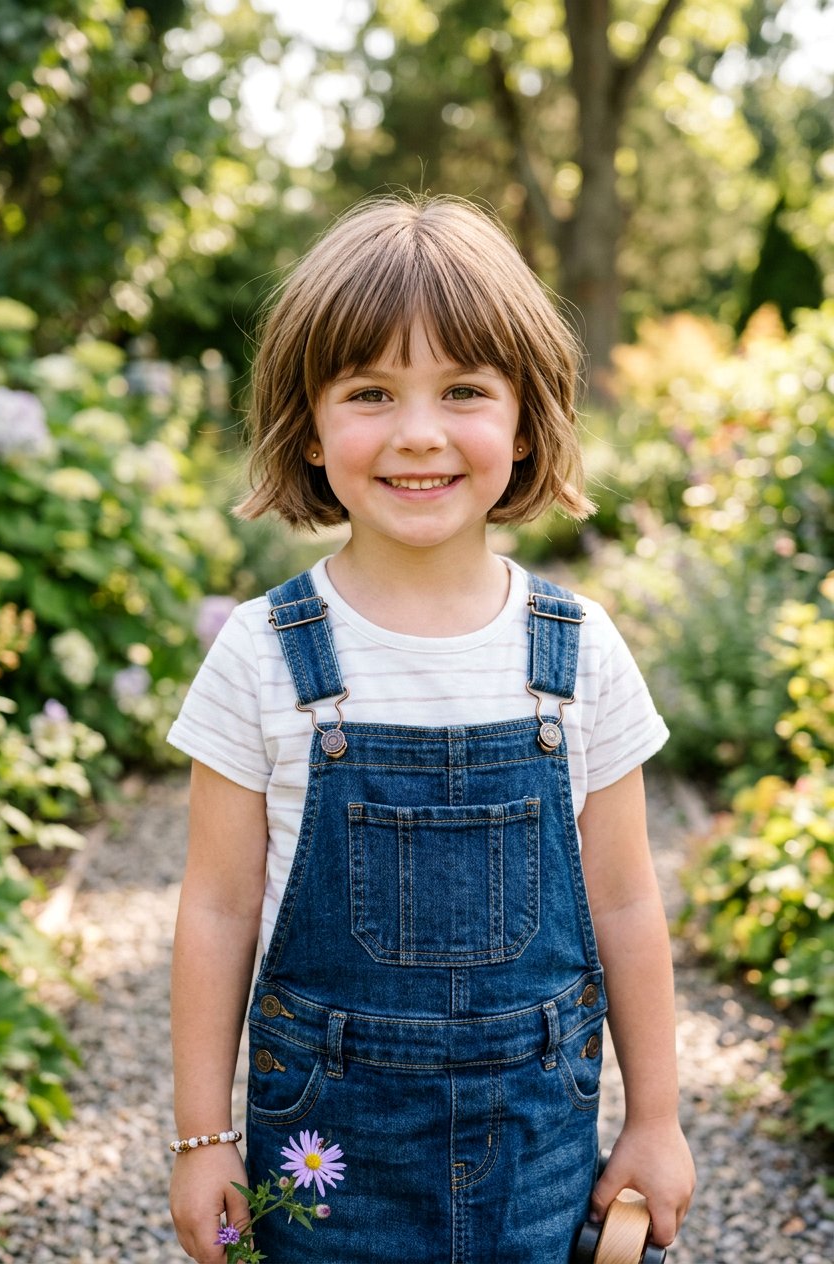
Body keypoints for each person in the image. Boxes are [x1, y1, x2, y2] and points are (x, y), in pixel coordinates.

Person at [167, 194, 695, 1264]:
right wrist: (202, 1134)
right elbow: (217, 909)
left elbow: (627, 901)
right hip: (324, 1148)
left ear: (523, 420)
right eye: (370, 391)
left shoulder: (577, 650)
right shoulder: (264, 652)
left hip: (535, 1144)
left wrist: (653, 1116)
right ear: (308, 426)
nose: (416, 431)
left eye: (461, 390)